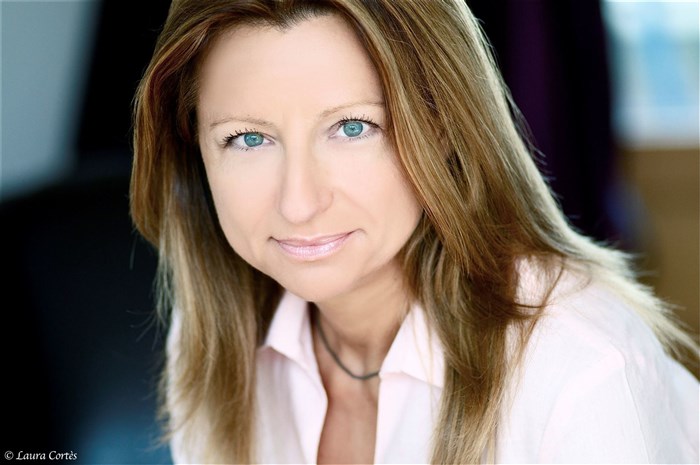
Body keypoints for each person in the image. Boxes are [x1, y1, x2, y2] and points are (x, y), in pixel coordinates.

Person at [130, 0, 699, 463]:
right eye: (249, 139)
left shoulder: (579, 370)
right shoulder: (215, 334)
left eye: (353, 127)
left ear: (442, 127)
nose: (298, 204)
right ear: (193, 145)